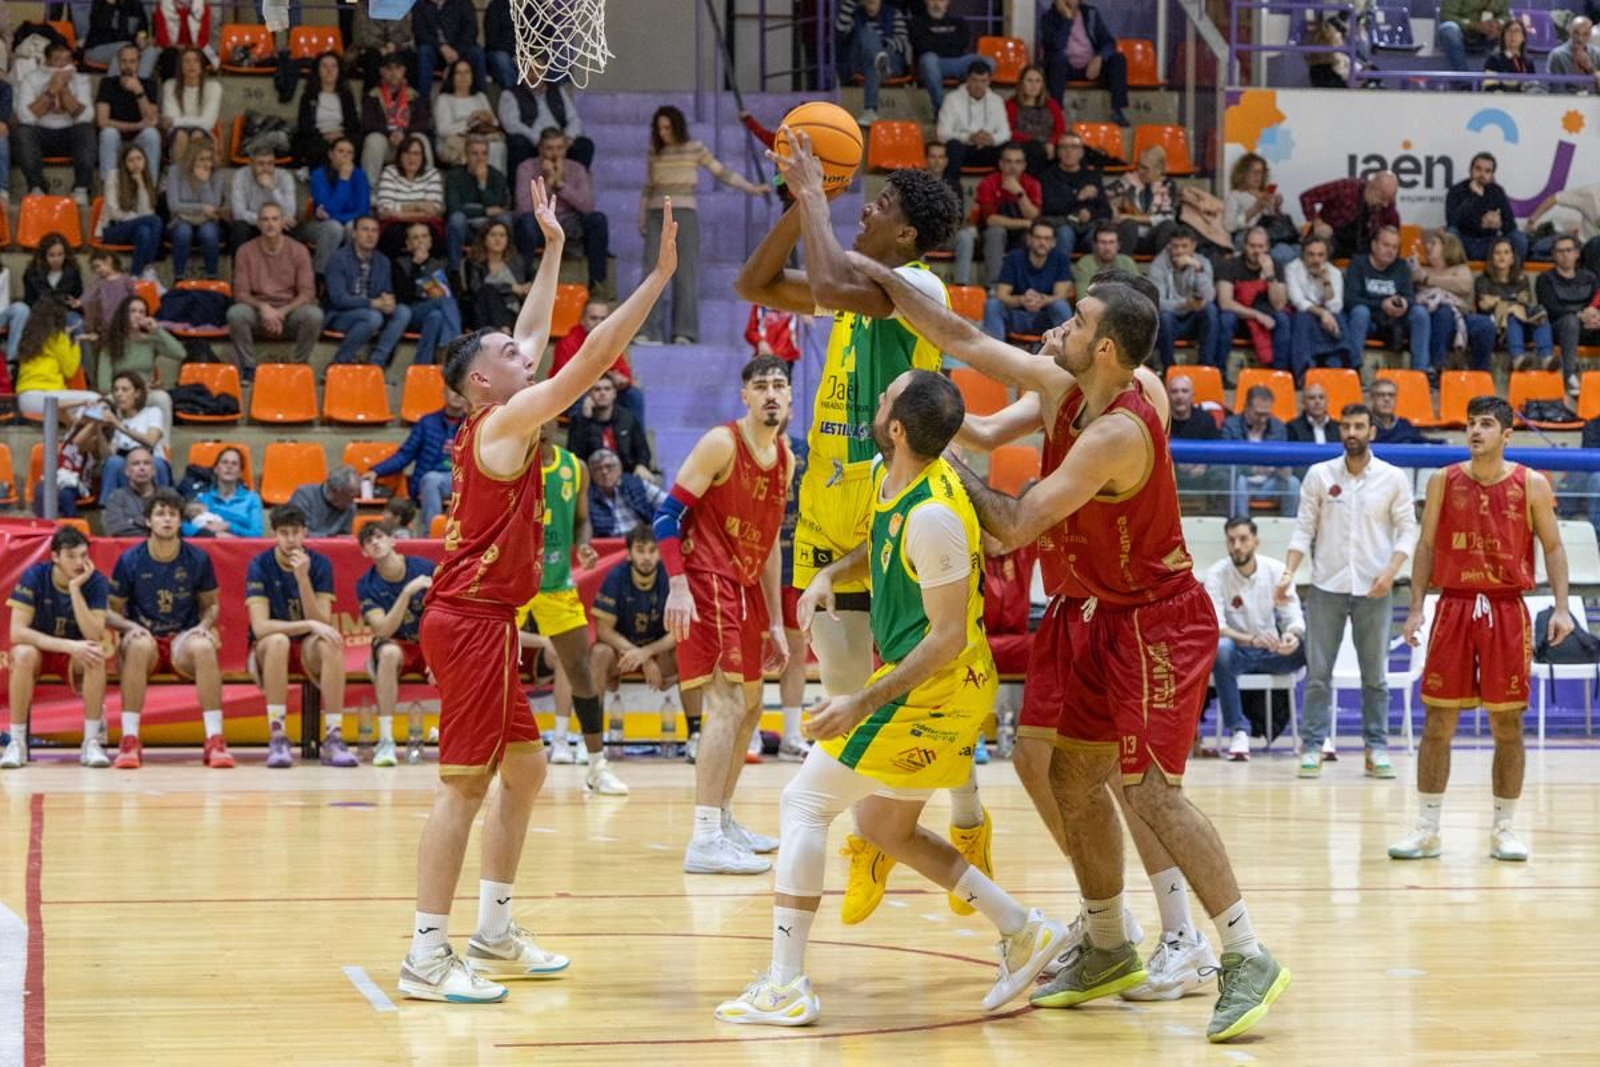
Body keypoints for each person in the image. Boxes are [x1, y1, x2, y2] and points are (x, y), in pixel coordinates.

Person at [851, 274, 1288, 1040]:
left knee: (1149, 790)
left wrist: (937, 462)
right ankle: (1108, 939)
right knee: (1067, 774)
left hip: (1155, 620)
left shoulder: (1118, 428)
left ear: (1106, 348)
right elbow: (967, 341)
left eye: (1078, 319)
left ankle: (1243, 950)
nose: (1063, 324)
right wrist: (885, 283)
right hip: (1092, 613)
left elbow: (1015, 525)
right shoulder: (1068, 381)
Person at [396, 177, 673, 1004]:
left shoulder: (494, 411)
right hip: (471, 621)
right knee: (465, 786)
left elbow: (531, 331)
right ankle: (424, 951)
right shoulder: (507, 424)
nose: (529, 353)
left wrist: (553, 247)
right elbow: (585, 359)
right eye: (513, 358)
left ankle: (493, 929)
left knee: (525, 771)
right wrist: (654, 283)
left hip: (483, 617)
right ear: (482, 383)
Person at [714, 369, 1062, 1025]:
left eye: (884, 399)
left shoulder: (933, 514)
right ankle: (1023, 929)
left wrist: (861, 701)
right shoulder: (889, 476)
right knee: (881, 825)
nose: (874, 403)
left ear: (897, 428)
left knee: (803, 801)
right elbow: (876, 540)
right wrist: (827, 575)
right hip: (934, 685)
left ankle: (786, 983)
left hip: (934, 689)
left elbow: (949, 636)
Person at [1391, 395, 1570, 862]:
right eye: (1470, 423)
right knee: (1437, 722)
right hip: (1453, 607)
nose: (1475, 431)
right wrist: (1414, 609)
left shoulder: (1530, 483)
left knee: (1508, 723)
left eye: (1486, 424)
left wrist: (1564, 608)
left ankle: (1504, 828)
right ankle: (1427, 829)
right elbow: (1426, 546)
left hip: (1507, 610)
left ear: (1506, 434)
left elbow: (1553, 548)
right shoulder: (1441, 481)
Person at [657, 356, 793, 874]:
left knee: (753, 707)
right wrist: (677, 585)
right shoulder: (721, 443)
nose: (772, 394)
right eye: (761, 387)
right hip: (706, 576)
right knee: (729, 702)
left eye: (780, 385)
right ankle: (705, 837)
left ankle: (725, 818)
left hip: (746, 583)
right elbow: (666, 515)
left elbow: (773, 542)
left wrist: (777, 621)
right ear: (745, 396)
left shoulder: (785, 457)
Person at [1278, 402, 1417, 777]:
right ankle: (1312, 747)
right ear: (1340, 431)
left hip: (1376, 587)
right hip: (1327, 586)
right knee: (1318, 673)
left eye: (1359, 426)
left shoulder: (1393, 478)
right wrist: (1289, 574)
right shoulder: (1319, 475)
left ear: (1372, 431)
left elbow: (1408, 530)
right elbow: (1303, 528)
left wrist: (1391, 572)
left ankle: (1377, 749)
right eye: (1346, 426)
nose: (1352, 432)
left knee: (1375, 677)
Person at [513, 426, 627, 795]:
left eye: (548, 415)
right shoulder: (513, 462)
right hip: (513, 582)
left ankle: (597, 766)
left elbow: (581, 521)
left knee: (580, 670)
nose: (540, 423)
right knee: (494, 670)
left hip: (557, 581)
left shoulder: (573, 467)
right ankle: (493, 762)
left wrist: (585, 545)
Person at [105, 488, 228, 769]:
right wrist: (129, 626)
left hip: (181, 638)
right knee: (136, 644)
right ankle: (130, 739)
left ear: (180, 521)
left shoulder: (197, 558)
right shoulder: (129, 560)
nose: (167, 519)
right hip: (145, 637)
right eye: (160, 513)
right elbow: (109, 611)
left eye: (172, 514)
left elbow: (211, 605)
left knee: (205, 646)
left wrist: (205, 625)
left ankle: (215, 738)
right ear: (148, 521)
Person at [641, 105, 768, 345]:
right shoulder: (654, 152)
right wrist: (641, 218)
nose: (663, 133)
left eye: (667, 127)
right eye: (659, 128)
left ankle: (684, 332)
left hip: (685, 213)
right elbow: (647, 188)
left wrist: (751, 187)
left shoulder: (694, 148)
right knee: (652, 272)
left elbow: (721, 172)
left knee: (685, 272)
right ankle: (648, 331)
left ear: (677, 126)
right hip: (656, 214)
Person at [246, 503, 352, 768]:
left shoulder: (319, 565)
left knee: (331, 642)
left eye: (295, 532)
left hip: (307, 646)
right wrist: (308, 624)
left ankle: (333, 737)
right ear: (274, 534)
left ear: (305, 533)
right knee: (278, 641)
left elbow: (322, 623)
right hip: (267, 649)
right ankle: (278, 735)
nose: (291, 539)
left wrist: (303, 579)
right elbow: (260, 627)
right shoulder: (260, 564)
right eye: (284, 533)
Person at [1, 526, 111, 770]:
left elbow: (94, 633)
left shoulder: (95, 582)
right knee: (21, 653)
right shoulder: (35, 576)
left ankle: (91, 741)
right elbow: (17, 632)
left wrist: (74, 589)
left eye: (83, 555)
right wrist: (69, 645)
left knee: (95, 654)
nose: (79, 562)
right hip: (43, 651)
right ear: (54, 557)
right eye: (71, 556)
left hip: (73, 657)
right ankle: (17, 742)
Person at [1206, 517, 1306, 762]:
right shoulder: (1217, 574)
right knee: (1220, 648)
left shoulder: (1275, 570)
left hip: (1273, 653)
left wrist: (1290, 637)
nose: (1237, 546)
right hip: (1238, 653)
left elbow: (1293, 616)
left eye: (1243, 539)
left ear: (1255, 542)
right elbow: (1216, 628)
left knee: (1311, 644)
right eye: (1231, 540)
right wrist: (1251, 640)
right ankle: (1238, 732)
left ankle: (1316, 735)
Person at [357, 522, 435, 768]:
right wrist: (406, 593)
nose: (375, 543)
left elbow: (447, 614)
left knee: (464, 658)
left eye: (379, 536)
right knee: (388, 653)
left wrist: (437, 658)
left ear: (393, 540)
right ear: (364, 553)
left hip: (429, 643)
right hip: (396, 644)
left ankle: (464, 739)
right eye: (369, 542)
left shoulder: (425, 569)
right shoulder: (366, 584)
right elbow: (382, 629)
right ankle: (386, 740)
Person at [590, 526, 683, 707]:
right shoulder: (616, 576)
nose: (647, 557)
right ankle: (593, 731)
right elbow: (603, 630)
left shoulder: (672, 577)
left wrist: (646, 653)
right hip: (621, 654)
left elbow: (676, 633)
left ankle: (694, 731)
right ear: (629, 554)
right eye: (640, 551)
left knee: (686, 649)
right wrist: (642, 657)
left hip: (659, 653)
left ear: (660, 552)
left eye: (652, 550)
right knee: (599, 653)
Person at [228, 203, 324, 376]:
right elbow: (240, 293)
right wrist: (263, 307)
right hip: (257, 312)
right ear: (258, 224)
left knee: (314, 315)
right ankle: (249, 367)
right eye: (265, 219)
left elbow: (307, 293)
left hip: (290, 312)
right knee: (236, 313)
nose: (270, 224)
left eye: (275, 219)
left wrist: (281, 312)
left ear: (282, 223)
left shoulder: (299, 250)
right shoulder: (245, 251)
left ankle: (299, 365)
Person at [515, 126, 608, 292]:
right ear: (540, 148)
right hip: (539, 223)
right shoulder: (526, 168)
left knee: (598, 219)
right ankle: (525, 280)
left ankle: (597, 283)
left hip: (568, 222)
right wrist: (547, 183)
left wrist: (560, 185)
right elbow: (523, 207)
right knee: (525, 222)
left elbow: (587, 206)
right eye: (549, 148)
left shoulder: (577, 168)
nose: (554, 154)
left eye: (559, 148)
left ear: (565, 149)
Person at [324, 215, 413, 367]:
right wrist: (372, 303)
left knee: (403, 312)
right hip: (341, 314)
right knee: (373, 318)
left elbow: (385, 291)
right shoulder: (338, 259)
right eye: (365, 230)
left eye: (374, 231)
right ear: (354, 234)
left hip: (373, 311)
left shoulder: (383, 261)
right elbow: (338, 298)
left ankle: (376, 363)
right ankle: (338, 363)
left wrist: (388, 302)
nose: (370, 235)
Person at [1345, 225, 1430, 375]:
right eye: (1386, 245)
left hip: (1395, 319)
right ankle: (1353, 368)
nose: (1390, 251)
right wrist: (1382, 304)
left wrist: (1404, 303)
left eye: (1394, 247)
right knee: (1360, 312)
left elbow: (1410, 297)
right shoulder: (1358, 264)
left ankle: (1420, 372)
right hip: (1370, 319)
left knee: (1420, 313)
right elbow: (1350, 299)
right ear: (1374, 245)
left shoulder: (1401, 266)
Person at [16, 41, 96, 196]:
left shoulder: (80, 80)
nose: (62, 65)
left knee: (86, 131)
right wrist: (51, 92)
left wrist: (64, 90)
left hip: (69, 135)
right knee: (23, 132)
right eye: (57, 59)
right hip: (41, 135)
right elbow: (24, 117)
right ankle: (36, 187)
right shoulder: (31, 79)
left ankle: (81, 189)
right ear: (46, 62)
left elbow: (86, 117)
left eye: (67, 60)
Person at [1411, 228, 1496, 374]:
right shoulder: (1420, 270)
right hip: (1433, 318)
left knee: (1485, 325)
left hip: (1462, 317)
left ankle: (1481, 373)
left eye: (1433, 243)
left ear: (1447, 247)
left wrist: (1428, 279)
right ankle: (1438, 367)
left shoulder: (1460, 269)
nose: (1428, 247)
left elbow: (1463, 286)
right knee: (1444, 312)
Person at [1039, 0, 1129, 125]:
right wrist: (1067, 18)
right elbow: (1056, 46)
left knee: (1118, 59)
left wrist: (1099, 58)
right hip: (1064, 68)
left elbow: (1108, 42)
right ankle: (1057, 112)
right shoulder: (1048, 18)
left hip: (1090, 67)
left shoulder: (1090, 13)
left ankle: (1117, 111)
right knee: (1057, 60)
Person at [1216, 225, 1292, 374]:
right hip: (1240, 317)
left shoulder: (1275, 266)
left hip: (1267, 317)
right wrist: (1256, 315)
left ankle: (1279, 373)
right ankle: (1220, 372)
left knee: (1283, 318)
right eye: (1252, 246)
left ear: (1268, 247)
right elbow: (1225, 303)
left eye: (1261, 246)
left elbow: (1279, 305)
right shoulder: (1230, 265)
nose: (1256, 251)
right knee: (1226, 319)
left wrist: (1270, 275)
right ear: (1245, 246)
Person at [963, 143, 1041, 287]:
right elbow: (991, 219)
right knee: (996, 232)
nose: (1013, 167)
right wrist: (1024, 223)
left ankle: (1025, 286)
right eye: (1009, 161)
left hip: (1020, 234)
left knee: (1032, 235)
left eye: (1018, 162)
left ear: (1024, 165)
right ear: (1001, 164)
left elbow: (1034, 216)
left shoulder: (1032, 184)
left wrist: (1020, 194)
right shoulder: (988, 183)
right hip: (991, 233)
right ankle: (994, 285)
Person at [551, 300, 642, 422]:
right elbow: (565, 382)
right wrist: (604, 379)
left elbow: (624, 373)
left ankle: (635, 440)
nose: (599, 323)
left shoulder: (612, 342)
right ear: (582, 320)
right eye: (593, 318)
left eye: (603, 319)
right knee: (585, 401)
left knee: (634, 395)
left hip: (604, 390)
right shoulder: (567, 343)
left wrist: (623, 381)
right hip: (572, 395)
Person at [982, 220, 1072, 341]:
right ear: (1029, 239)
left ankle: (1066, 355)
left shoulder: (1061, 259)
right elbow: (1001, 294)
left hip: (1045, 317)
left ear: (1053, 242)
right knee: (992, 304)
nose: (1042, 242)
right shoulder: (1014, 257)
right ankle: (994, 356)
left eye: (1047, 239)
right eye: (1038, 238)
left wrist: (1042, 300)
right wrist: (1021, 300)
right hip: (1017, 315)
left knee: (1060, 305)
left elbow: (1060, 295)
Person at [1151, 224, 1222, 371]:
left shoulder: (1202, 263)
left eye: (1184, 246)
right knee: (1164, 318)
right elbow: (1157, 303)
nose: (1179, 251)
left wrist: (1198, 270)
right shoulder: (1158, 265)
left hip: (1194, 319)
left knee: (1210, 310)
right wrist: (1184, 304)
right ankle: (1169, 368)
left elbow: (1209, 296)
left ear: (1193, 246)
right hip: (1171, 320)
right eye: (1175, 246)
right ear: (1169, 246)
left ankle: (1205, 366)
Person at [1474, 235, 1550, 371]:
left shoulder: (1522, 279)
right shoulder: (1483, 280)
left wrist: (1499, 300)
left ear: (1512, 258)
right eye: (1497, 253)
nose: (1502, 257)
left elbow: (1525, 301)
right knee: (1513, 314)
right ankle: (1517, 358)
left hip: (1524, 324)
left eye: (1506, 252)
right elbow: (1484, 305)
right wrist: (1512, 304)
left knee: (1539, 311)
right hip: (1499, 329)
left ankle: (1546, 357)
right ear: (1491, 257)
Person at [16, 296, 97, 421]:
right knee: (96, 400)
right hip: (47, 397)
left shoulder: (28, 336)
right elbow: (69, 371)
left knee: (78, 414)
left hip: (25, 399)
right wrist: (75, 342)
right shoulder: (57, 336)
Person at [393, 222, 462, 367]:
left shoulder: (442, 264)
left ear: (430, 241)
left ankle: (421, 366)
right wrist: (416, 265)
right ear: (408, 243)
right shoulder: (400, 263)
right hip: (413, 312)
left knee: (436, 316)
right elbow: (403, 297)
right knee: (444, 301)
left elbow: (457, 295)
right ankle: (450, 346)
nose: (420, 241)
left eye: (424, 236)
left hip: (439, 314)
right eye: (415, 238)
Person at [1536, 234, 1599, 394]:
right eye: (1560, 251)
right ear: (1554, 255)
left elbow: (1594, 305)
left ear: (1577, 254)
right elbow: (1551, 309)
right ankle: (1569, 375)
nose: (1565, 254)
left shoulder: (1589, 277)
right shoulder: (1545, 279)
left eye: (1569, 250)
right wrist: (1579, 316)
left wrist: (1596, 317)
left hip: (1586, 326)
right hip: (1559, 328)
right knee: (1570, 321)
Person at [1223, 384, 1298, 517]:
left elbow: (1283, 460)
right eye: (1258, 414)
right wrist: (1251, 470)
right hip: (1244, 481)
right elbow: (1224, 464)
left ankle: (1289, 526)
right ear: (1246, 407)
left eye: (1266, 414)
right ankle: (1242, 524)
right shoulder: (1230, 426)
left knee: (1293, 482)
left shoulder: (1278, 427)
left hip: (1271, 481)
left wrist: (1284, 468)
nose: (1263, 419)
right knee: (1238, 482)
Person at [95, 367, 171, 494]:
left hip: (150, 462)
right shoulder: (117, 420)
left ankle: (163, 504)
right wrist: (97, 429)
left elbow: (151, 441)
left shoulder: (152, 412)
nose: (119, 394)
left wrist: (118, 425)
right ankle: (109, 509)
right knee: (113, 463)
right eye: (116, 390)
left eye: (125, 390)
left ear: (137, 393)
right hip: (127, 472)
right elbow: (107, 457)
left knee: (157, 463)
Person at [360, 53, 433, 186]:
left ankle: (427, 185)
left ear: (404, 71)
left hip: (407, 143)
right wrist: (389, 134)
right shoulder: (373, 95)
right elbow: (367, 124)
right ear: (382, 71)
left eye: (398, 69)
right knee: (373, 140)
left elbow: (424, 123)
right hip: (385, 144)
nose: (394, 73)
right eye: (389, 69)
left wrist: (404, 133)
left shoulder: (414, 95)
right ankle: (369, 189)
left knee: (421, 139)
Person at [1285, 236, 1351, 380]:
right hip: (1304, 313)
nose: (1316, 260)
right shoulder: (1292, 268)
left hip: (1327, 315)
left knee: (1339, 318)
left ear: (1327, 256)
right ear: (1303, 255)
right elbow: (1298, 301)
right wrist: (1322, 313)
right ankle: (1304, 373)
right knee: (1303, 319)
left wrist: (1326, 281)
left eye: (1321, 255)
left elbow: (1335, 306)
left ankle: (1336, 368)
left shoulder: (1334, 272)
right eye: (1311, 254)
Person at [835, 0, 909, 125]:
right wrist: (850, 3)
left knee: (873, 61)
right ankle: (879, 60)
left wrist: (882, 47)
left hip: (890, 62)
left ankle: (870, 110)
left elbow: (903, 43)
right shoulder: (854, 14)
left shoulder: (894, 14)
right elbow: (840, 32)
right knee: (867, 33)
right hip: (860, 62)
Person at [1039, 130, 1110, 259]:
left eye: (1074, 147)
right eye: (1064, 147)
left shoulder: (1092, 176)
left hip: (1088, 226)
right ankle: (1061, 276)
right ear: (1058, 152)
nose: (1069, 151)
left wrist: (1090, 213)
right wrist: (1078, 198)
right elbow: (1049, 208)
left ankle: (1097, 277)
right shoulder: (1048, 176)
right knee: (1065, 233)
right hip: (1061, 225)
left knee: (1100, 236)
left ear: (1081, 152)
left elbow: (1106, 209)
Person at [910, 0, 991, 112]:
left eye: (941, 1)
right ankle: (942, 110)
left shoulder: (959, 21)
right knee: (928, 59)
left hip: (959, 62)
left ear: (948, 2)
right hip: (935, 64)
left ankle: (970, 105)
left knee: (988, 62)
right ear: (926, 1)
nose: (937, 5)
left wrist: (935, 43)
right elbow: (922, 46)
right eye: (933, 0)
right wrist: (948, 42)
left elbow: (962, 43)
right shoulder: (916, 22)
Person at [937, 61, 1010, 184]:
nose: (979, 85)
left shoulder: (996, 100)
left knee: (1008, 150)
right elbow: (942, 133)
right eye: (975, 80)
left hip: (987, 148)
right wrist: (969, 137)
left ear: (989, 81)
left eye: (983, 81)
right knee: (953, 146)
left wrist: (991, 139)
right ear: (968, 79)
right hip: (963, 149)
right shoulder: (952, 99)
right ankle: (952, 195)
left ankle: (1004, 193)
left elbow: (1006, 133)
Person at [95, 42, 161, 179]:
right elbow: (102, 121)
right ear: (118, 63)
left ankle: (150, 189)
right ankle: (109, 188)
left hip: (139, 137)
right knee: (108, 134)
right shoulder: (107, 83)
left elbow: (151, 120)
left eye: (132, 61)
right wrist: (135, 126)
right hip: (116, 136)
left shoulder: (149, 85)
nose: (128, 66)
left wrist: (139, 91)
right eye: (124, 61)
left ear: (139, 63)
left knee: (152, 134)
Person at [96, 143, 163, 277]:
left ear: (145, 161)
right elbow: (113, 211)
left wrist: (140, 184)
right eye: (130, 160)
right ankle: (149, 269)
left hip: (135, 230)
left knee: (144, 232)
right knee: (155, 220)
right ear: (124, 163)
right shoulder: (113, 176)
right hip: (113, 230)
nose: (135, 163)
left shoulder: (146, 179)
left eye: (139, 158)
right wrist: (137, 218)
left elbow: (146, 212)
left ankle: (135, 276)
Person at [445, 135, 509, 273]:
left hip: (489, 230)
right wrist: (485, 211)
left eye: (484, 153)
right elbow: (454, 208)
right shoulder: (454, 176)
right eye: (474, 153)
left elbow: (497, 207)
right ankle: (454, 271)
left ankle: (505, 266)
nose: (480, 158)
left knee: (505, 219)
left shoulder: (497, 176)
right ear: (466, 155)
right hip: (466, 228)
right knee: (456, 219)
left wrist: (482, 184)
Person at [1300, 171, 1399, 260]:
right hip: (1332, 235)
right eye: (1383, 198)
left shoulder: (1387, 201)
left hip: (1360, 243)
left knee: (1382, 250)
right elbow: (1307, 197)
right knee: (1321, 246)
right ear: (1372, 188)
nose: (1385, 204)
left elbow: (1394, 226)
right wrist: (1318, 223)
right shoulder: (1347, 187)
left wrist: (1384, 234)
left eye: (1389, 200)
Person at [1446, 152, 1525, 263]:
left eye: (1487, 171)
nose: (1482, 174)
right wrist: (1475, 197)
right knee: (1451, 234)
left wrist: (1499, 224)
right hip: (1464, 241)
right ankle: (1455, 274)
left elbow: (1511, 224)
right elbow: (1452, 221)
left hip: (1489, 243)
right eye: (1478, 169)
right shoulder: (1456, 191)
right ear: (1470, 170)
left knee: (1518, 238)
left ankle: (1513, 275)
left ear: (1492, 175)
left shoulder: (1497, 191)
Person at [566, 375, 653, 476]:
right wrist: (584, 420)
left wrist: (641, 465)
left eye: (607, 389)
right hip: (592, 478)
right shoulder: (579, 421)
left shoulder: (627, 419)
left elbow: (642, 450)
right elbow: (575, 456)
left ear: (614, 394)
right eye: (597, 389)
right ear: (589, 394)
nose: (602, 393)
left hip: (625, 476)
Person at [376, 134, 445, 259]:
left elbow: (432, 210)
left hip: (424, 223)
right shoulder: (390, 172)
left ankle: (429, 276)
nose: (412, 158)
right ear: (400, 156)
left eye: (416, 153)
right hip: (396, 225)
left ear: (423, 156)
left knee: (428, 235)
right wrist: (418, 205)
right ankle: (396, 276)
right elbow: (384, 209)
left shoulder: (432, 173)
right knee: (392, 234)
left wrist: (399, 213)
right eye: (407, 153)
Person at [1167, 373, 1229, 513]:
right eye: (1174, 391)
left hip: (1202, 473)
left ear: (1193, 396)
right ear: (1167, 395)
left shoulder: (1206, 419)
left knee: (1222, 475)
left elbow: (1217, 450)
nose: (1179, 396)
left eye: (1184, 391)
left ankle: (1220, 518)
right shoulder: (1160, 420)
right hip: (1170, 474)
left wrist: (1204, 464)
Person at [1225, 153, 1297, 273]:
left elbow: (1275, 225)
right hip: (1249, 236)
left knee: (1295, 250)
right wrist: (1255, 209)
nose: (1257, 176)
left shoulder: (1266, 194)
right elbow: (1230, 226)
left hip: (1272, 236)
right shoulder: (1236, 195)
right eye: (1253, 172)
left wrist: (1277, 207)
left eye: (1261, 172)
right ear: (1243, 174)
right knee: (1280, 255)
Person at [166, 136, 226, 278]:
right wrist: (202, 208)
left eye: (209, 159)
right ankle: (178, 277)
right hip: (180, 220)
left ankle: (212, 276)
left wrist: (204, 183)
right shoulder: (176, 171)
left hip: (209, 221)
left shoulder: (218, 173)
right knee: (183, 231)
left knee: (208, 233)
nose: (206, 164)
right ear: (192, 158)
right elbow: (174, 205)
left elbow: (214, 206)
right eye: (202, 159)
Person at [293, 50, 360, 170]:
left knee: (350, 145)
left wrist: (340, 135)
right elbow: (304, 126)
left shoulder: (346, 96)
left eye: (333, 66)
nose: (329, 70)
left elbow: (353, 124)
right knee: (317, 148)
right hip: (318, 137)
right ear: (318, 71)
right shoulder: (308, 97)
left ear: (339, 71)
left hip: (342, 135)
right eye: (324, 66)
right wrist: (324, 135)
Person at [1107, 145, 1178, 256]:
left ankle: (1162, 269)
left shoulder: (1167, 184)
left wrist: (1132, 217)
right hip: (1129, 234)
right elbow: (1103, 195)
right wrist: (1113, 207)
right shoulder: (1129, 180)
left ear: (1158, 169)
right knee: (1128, 224)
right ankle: (1123, 268)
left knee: (1169, 226)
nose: (1140, 171)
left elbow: (1166, 216)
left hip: (1153, 237)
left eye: (1145, 168)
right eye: (1139, 166)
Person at [460, 218, 529, 330]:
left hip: (513, 314)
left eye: (502, 235)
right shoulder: (474, 263)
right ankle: (504, 332)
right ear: (484, 239)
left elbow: (536, 280)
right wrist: (511, 288)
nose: (498, 239)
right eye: (493, 235)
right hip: (483, 315)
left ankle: (503, 331)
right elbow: (476, 289)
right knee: (487, 290)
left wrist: (528, 287)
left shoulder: (517, 262)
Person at [228, 143, 298, 250]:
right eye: (261, 164)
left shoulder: (284, 177)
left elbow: (290, 212)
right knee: (239, 228)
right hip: (252, 224)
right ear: (251, 164)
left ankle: (285, 266)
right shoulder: (240, 176)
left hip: (276, 224)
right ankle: (240, 266)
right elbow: (238, 213)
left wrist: (273, 188)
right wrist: (265, 221)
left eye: (270, 163)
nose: (266, 168)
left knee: (290, 227)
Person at [412, 0, 485, 102]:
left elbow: (471, 30)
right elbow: (420, 33)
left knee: (477, 53)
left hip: (460, 49)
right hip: (435, 50)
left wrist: (457, 51)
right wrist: (441, 47)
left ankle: (481, 99)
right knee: (424, 52)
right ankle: (423, 103)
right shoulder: (420, 5)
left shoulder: (463, 3)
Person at [159, 46, 220, 167]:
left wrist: (176, 120)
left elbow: (208, 123)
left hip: (204, 133)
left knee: (197, 134)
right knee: (181, 135)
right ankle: (178, 178)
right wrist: (175, 121)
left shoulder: (214, 87)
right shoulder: (170, 85)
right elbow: (171, 121)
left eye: (195, 61)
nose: (191, 65)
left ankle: (196, 180)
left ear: (202, 66)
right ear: (180, 66)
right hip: (176, 135)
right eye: (186, 61)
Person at [587, 448, 667, 537]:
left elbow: (668, 505)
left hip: (641, 542)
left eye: (609, 466)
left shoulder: (637, 484)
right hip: (607, 546)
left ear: (619, 468)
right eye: (598, 469)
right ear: (592, 474)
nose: (604, 472)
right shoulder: (587, 497)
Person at [185, 446, 262, 538]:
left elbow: (256, 534)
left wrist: (228, 526)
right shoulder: (203, 499)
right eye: (224, 462)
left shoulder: (252, 499)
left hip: (242, 549)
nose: (229, 466)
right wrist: (214, 535)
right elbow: (184, 528)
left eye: (234, 464)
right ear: (216, 469)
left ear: (240, 473)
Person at [1006, 65, 1066, 177]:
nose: (1033, 85)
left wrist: (1051, 142)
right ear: (1022, 83)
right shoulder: (1011, 105)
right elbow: (1007, 131)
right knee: (1035, 150)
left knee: (1074, 150)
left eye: (1038, 81)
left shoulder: (1052, 104)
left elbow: (1060, 130)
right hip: (1024, 146)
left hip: (1049, 145)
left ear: (1042, 85)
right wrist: (1034, 140)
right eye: (1029, 81)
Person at [24, 235, 87, 331]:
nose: (56, 259)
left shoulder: (73, 272)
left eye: (60, 254)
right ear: (43, 256)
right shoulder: (32, 274)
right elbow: (29, 301)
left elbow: (78, 297)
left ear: (66, 255)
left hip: (66, 313)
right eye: (51, 255)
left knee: (78, 324)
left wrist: (75, 303)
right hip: (40, 314)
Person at [288, 466, 361, 539]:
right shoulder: (304, 496)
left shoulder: (350, 508)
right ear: (334, 490)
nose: (352, 501)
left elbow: (344, 538)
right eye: (350, 496)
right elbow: (296, 532)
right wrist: (329, 537)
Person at [85, 0, 156, 74]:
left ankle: (137, 83)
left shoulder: (136, 4)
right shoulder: (100, 3)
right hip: (98, 48)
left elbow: (142, 29)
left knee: (151, 51)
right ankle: (112, 84)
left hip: (130, 48)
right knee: (124, 50)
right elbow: (100, 27)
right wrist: (109, 5)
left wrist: (142, 39)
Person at [1437, 0, 1508, 73]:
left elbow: (1505, 15)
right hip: (1461, 36)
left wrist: (1497, 24)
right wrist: (1473, 25)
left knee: (1512, 29)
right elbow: (1446, 15)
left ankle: (1505, 79)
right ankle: (1463, 79)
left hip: (1487, 38)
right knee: (1448, 29)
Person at [103, 445, 160, 536]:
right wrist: (154, 530)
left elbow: (177, 528)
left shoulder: (168, 496)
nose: (142, 468)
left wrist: (134, 522)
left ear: (153, 471)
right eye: (136, 464)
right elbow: (117, 530)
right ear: (127, 471)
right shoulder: (116, 498)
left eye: (146, 463)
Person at [1071, 220, 1138, 295]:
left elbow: (1139, 293)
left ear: (1118, 245)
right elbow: (1083, 297)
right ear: (1095, 245)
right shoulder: (1085, 264)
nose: (1107, 248)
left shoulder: (1127, 262)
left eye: (1111, 242)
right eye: (1103, 242)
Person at [1367, 378, 1435, 444]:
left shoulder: (1404, 425)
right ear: (1372, 399)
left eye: (1391, 395)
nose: (1387, 399)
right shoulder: (1365, 425)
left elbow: (1424, 442)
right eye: (1381, 395)